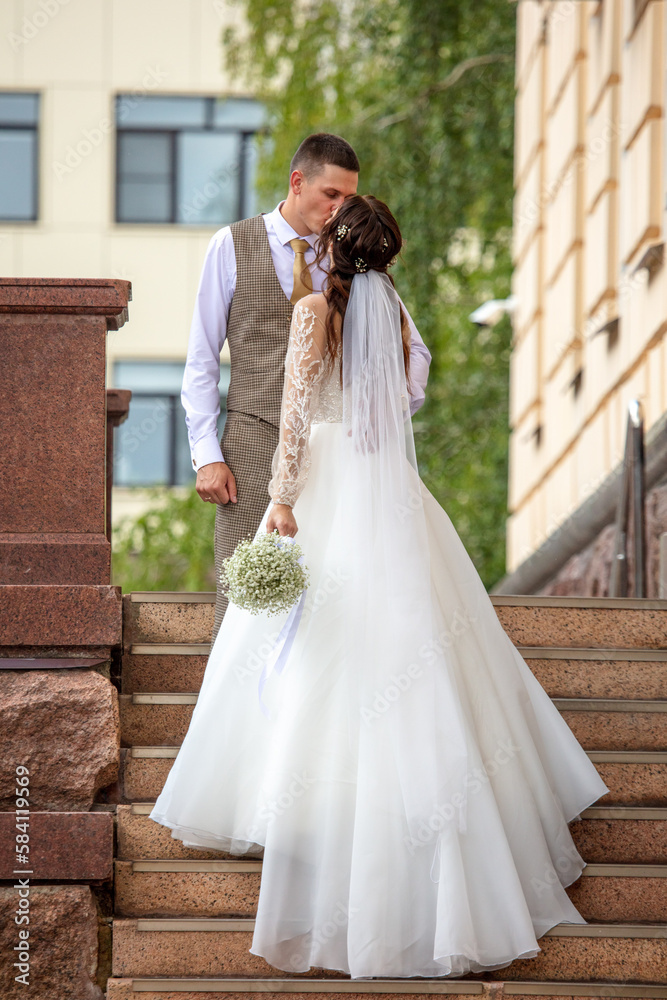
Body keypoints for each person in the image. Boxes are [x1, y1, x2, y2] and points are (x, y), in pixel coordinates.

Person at [151, 194, 609, 979]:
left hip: (324, 482)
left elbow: (295, 416)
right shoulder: (391, 309)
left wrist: (284, 498)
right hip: (386, 485)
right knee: (412, 644)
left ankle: (293, 806)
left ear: (332, 244)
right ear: (386, 254)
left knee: (303, 647)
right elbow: (405, 398)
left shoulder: (311, 313)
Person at [180, 133, 432, 648]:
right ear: (298, 182)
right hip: (250, 452)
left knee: (338, 605)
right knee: (249, 603)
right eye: (331, 196)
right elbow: (202, 360)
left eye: (350, 197)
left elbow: (416, 354)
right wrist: (206, 454)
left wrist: (376, 418)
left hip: (342, 458)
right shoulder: (231, 245)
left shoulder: (356, 263)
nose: (342, 209)